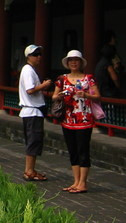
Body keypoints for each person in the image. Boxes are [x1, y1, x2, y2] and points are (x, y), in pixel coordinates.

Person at [52, 50, 100, 194]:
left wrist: (85, 95)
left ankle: (83, 183)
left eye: (76, 60)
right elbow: (54, 96)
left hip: (84, 118)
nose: (73, 63)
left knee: (83, 150)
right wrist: (59, 96)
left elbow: (97, 96)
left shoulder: (88, 79)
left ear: (81, 63)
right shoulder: (62, 79)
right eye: (71, 60)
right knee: (72, 150)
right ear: (67, 63)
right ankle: (76, 181)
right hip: (67, 118)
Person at [18, 44, 53, 181]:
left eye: (40, 54)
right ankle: (29, 170)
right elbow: (30, 90)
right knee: (33, 141)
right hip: (32, 111)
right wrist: (44, 85)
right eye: (35, 54)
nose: (39, 57)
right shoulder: (28, 70)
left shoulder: (30, 70)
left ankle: (30, 169)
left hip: (32, 111)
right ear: (28, 56)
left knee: (33, 141)